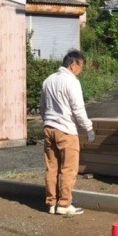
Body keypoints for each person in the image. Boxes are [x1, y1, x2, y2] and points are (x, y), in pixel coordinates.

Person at [40, 49, 95, 216]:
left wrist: (47, 121)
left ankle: (52, 202)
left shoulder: (48, 80)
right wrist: (89, 127)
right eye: (81, 67)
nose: (81, 71)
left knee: (52, 167)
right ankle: (64, 204)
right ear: (73, 65)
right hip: (66, 130)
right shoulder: (71, 81)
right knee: (68, 168)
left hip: (49, 129)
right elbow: (78, 109)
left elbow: (43, 106)